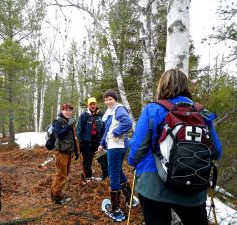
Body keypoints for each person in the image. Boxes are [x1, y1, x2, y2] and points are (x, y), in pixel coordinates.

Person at [128, 69, 222, 225]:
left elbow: (137, 151)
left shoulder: (153, 109)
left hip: (154, 186)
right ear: (186, 86)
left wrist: (132, 161)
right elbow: (217, 152)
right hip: (194, 185)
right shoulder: (201, 112)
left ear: (162, 86)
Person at [98, 89, 136, 222]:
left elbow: (128, 123)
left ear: (115, 99)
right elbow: (108, 129)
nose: (108, 101)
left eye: (110, 99)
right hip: (114, 146)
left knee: (113, 174)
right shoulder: (110, 112)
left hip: (116, 147)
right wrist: (102, 143)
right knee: (118, 171)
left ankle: (116, 210)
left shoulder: (119, 109)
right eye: (106, 99)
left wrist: (116, 133)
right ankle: (129, 199)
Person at [50, 103, 79, 205]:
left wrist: (76, 151)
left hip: (67, 152)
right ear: (62, 111)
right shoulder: (58, 121)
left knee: (63, 174)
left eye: (70, 110)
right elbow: (59, 134)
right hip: (61, 153)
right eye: (66, 110)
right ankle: (57, 198)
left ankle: (55, 194)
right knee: (61, 175)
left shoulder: (70, 121)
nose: (68, 112)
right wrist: (68, 126)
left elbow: (73, 138)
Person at [76, 97, 108, 181]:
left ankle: (106, 177)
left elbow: (104, 129)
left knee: (103, 160)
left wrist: (103, 141)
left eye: (94, 104)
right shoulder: (84, 115)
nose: (93, 106)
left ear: (96, 104)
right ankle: (87, 177)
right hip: (87, 143)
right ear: (88, 105)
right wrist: (80, 142)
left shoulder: (101, 115)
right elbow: (79, 129)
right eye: (91, 104)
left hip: (98, 143)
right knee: (87, 161)